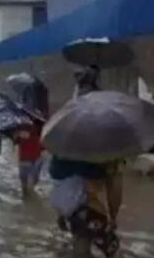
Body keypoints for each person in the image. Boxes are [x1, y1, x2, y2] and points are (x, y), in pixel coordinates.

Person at [48, 65, 122, 258]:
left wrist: (61, 213)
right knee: (101, 248)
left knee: (81, 245)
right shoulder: (109, 137)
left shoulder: (65, 128)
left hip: (68, 201)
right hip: (88, 203)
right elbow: (115, 184)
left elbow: (55, 173)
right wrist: (113, 219)